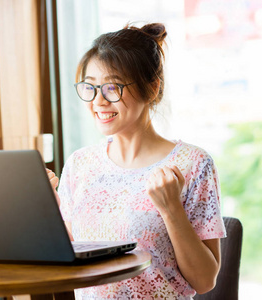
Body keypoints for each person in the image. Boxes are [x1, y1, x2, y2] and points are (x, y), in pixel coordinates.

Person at [46, 23, 226, 299]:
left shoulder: (192, 163)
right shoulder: (80, 165)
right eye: (90, 88)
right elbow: (68, 263)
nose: (98, 101)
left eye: (112, 88)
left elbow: (204, 281)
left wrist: (171, 209)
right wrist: (48, 208)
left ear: (151, 88)